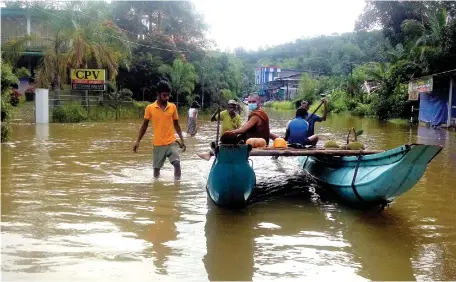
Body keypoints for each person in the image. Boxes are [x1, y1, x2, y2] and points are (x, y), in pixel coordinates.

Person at [133, 80, 186, 180]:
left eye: (168, 95)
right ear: (158, 94)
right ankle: (156, 189)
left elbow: (177, 124)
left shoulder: (173, 107)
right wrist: (137, 141)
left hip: (171, 142)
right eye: (164, 95)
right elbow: (144, 126)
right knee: (156, 171)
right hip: (158, 144)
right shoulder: (150, 108)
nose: (167, 97)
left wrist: (182, 140)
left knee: (177, 163)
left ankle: (176, 188)